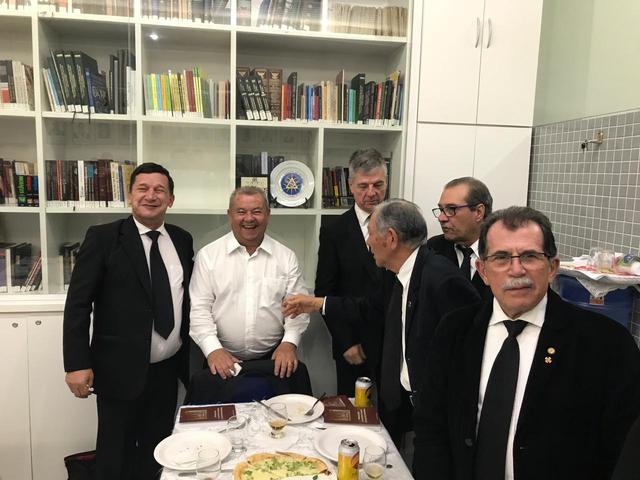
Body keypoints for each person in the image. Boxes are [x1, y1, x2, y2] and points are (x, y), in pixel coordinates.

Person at [413, 206, 640, 480]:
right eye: (501, 258)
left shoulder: (605, 344)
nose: (516, 269)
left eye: (530, 256)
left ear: (552, 267)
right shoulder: (455, 330)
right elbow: (431, 426)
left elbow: (624, 452)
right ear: (483, 271)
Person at [284, 199, 479, 446]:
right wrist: (317, 303)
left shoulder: (442, 279)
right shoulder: (397, 274)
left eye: (371, 234)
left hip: (438, 412)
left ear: (391, 238)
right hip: (406, 400)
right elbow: (369, 308)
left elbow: (466, 353)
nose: (368, 242)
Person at [63, 162, 194, 480]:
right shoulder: (103, 238)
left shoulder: (182, 239)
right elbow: (78, 304)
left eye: (160, 190)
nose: (151, 195)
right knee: (115, 453)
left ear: (171, 199)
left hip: (167, 371)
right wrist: (76, 364)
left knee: (158, 450)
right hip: (118, 370)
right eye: (142, 188)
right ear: (130, 196)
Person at [189, 186, 310, 383]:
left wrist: (289, 343)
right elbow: (199, 309)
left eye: (256, 211)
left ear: (268, 214)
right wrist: (213, 350)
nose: (249, 218)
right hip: (221, 359)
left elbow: (298, 308)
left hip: (274, 360)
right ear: (230, 214)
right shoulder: (208, 256)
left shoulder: (286, 257)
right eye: (241, 212)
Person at [315, 148, 388, 395]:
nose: (372, 193)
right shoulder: (334, 231)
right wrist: (345, 342)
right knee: (353, 410)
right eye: (363, 186)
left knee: (394, 411)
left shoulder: (401, 222)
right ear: (350, 185)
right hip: (354, 345)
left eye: (378, 185)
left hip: (395, 343)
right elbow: (325, 292)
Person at [427, 177, 493, 297]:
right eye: (441, 209)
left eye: (451, 209)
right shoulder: (433, 248)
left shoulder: (502, 253)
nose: (441, 218)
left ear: (479, 212)